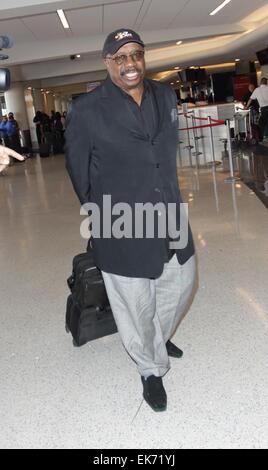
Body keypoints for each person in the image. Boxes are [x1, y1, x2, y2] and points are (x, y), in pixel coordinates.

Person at [65, 28, 196, 412]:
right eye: (120, 57)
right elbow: (78, 171)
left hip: (168, 213)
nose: (130, 64)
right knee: (134, 302)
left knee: (181, 283)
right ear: (108, 63)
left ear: (144, 57)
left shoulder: (165, 94)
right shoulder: (86, 110)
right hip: (120, 221)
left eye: (135, 54)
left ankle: (157, 337)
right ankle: (150, 369)